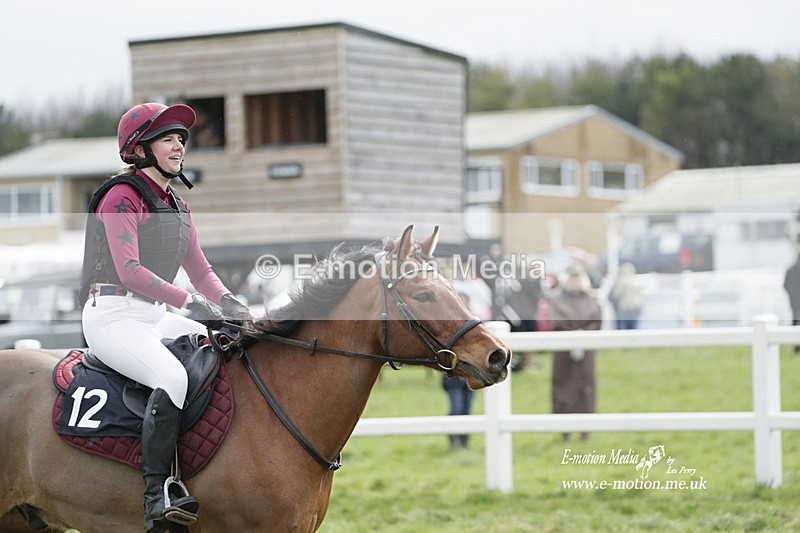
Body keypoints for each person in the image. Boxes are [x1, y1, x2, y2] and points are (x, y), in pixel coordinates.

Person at [79, 102, 251, 532]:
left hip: (153, 316)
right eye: (168, 139)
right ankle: (158, 494)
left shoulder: (177, 204)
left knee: (222, 348)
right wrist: (188, 301)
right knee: (172, 379)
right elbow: (129, 271)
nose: (178, 147)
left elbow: (202, 270)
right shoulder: (120, 196)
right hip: (112, 316)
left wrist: (233, 304)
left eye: (181, 140)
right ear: (140, 148)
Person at [547, 264, 602, 441]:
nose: (575, 281)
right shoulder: (557, 299)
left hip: (586, 351)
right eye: (572, 277)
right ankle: (565, 431)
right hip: (564, 352)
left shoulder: (592, 299)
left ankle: (585, 429)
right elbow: (556, 322)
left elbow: (597, 321)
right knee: (563, 386)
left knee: (585, 387)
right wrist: (571, 333)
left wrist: (584, 334)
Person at [441, 291, 475, 449]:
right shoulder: (447, 324)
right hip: (453, 376)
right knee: (456, 407)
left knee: (467, 409)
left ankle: (464, 441)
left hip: (470, 373)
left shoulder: (473, 324)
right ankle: (454, 439)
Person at [610, 262, 645, 329]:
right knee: (634, 327)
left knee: (623, 328)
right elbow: (642, 295)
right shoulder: (636, 280)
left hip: (625, 307)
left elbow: (616, 295)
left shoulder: (621, 281)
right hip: (637, 307)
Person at [784, 252, 800, 352]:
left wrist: (792, 295)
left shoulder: (790, 270)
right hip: (796, 301)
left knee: (795, 321)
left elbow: (785, 285)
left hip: (794, 302)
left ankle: (796, 346)